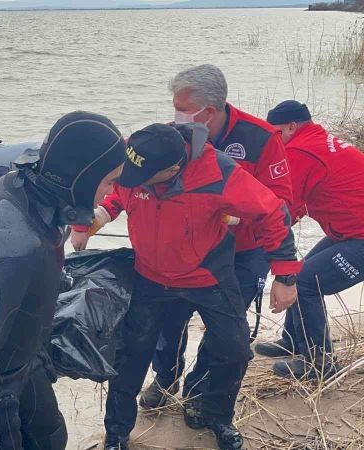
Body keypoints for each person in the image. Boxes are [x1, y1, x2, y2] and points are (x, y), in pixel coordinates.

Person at [73, 64, 295, 409]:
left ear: (208, 111)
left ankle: (200, 396)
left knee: (224, 341)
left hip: (244, 251)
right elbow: (131, 182)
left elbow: (281, 205)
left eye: (181, 106)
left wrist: (237, 221)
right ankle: (166, 381)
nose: (175, 113)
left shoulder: (260, 138)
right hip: (178, 254)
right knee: (166, 330)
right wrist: (95, 216)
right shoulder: (169, 142)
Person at [0, 111, 127, 450]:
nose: (112, 190)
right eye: (109, 180)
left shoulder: (28, 191)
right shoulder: (13, 246)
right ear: (82, 176)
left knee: (51, 438)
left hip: (21, 356)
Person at [98, 123, 300, 450]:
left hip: (208, 275)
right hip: (150, 275)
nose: (129, 181)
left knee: (234, 350)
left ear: (173, 169)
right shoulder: (136, 159)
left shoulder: (218, 172)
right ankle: (117, 433)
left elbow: (272, 211)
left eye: (139, 179)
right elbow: (114, 193)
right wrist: (89, 220)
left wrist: (286, 275)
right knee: (129, 355)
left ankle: (216, 415)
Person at [256, 101, 364, 379]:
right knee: (299, 271)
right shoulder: (317, 140)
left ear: (292, 127)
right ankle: (293, 340)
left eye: (275, 132)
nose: (272, 140)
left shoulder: (299, 151)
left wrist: (256, 238)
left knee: (304, 282)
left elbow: (285, 208)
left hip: (359, 236)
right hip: (349, 232)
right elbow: (298, 202)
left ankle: (320, 363)